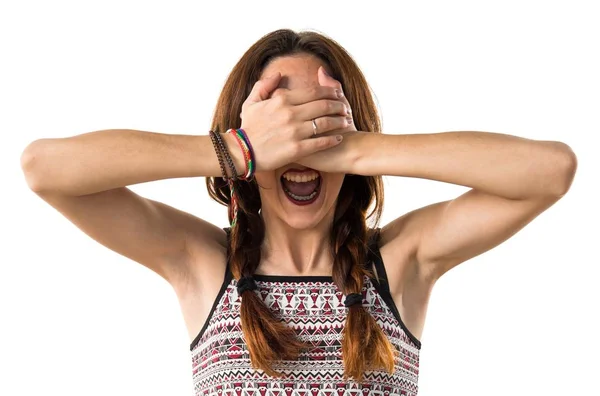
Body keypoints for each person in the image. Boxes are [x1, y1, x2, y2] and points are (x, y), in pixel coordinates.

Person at [20, 29, 577, 395]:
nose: (301, 148)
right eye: (282, 126)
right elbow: (45, 168)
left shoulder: (401, 262)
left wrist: (358, 148)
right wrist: (235, 148)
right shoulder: (206, 264)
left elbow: (549, 171)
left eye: (319, 123)